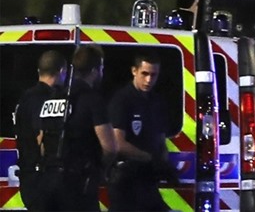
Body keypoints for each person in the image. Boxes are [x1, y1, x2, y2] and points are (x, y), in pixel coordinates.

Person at [37, 44, 117, 211]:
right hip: (78, 185)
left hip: (48, 182)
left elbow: (41, 142)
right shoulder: (94, 100)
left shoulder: (53, 98)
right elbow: (110, 148)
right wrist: (99, 170)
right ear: (95, 70)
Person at [108, 51, 174, 211]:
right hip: (126, 180)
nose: (149, 80)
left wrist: (163, 161)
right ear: (134, 71)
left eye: (154, 75)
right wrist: (149, 158)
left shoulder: (156, 101)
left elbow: (160, 138)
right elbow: (118, 142)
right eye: (144, 74)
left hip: (147, 178)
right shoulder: (123, 99)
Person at [13, 50, 67, 210]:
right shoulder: (52, 99)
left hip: (29, 179)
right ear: (62, 71)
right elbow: (41, 137)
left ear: (39, 71)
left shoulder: (25, 99)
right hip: (46, 177)